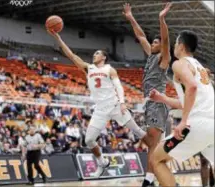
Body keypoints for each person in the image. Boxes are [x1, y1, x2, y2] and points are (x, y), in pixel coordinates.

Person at [47, 29, 148, 178]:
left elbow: (119, 86)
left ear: (104, 57)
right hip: (100, 110)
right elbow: (71, 55)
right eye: (94, 54)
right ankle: (102, 162)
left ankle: (157, 148)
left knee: (138, 132)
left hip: (115, 106)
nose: (94, 55)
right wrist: (58, 38)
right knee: (88, 140)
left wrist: (122, 102)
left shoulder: (109, 69)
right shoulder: (89, 68)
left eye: (97, 53)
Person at [149, 30, 214, 187]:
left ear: (181, 46)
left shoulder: (179, 64)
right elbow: (188, 101)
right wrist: (162, 98)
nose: (174, 47)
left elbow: (191, 87)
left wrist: (184, 121)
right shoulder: (201, 68)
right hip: (212, 124)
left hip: (197, 124)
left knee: (156, 159)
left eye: (176, 43)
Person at [123, 3, 171, 186]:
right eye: (153, 42)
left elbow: (166, 41)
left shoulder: (163, 59)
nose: (153, 43)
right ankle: (161, 175)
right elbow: (141, 35)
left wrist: (161, 19)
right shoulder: (151, 55)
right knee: (154, 144)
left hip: (157, 104)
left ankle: (148, 180)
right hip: (149, 104)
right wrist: (130, 17)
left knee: (152, 142)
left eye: (156, 42)